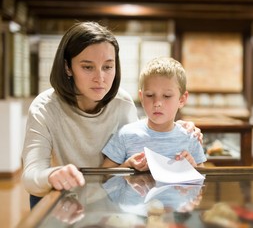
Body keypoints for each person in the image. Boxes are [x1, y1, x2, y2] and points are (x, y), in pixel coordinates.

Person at [22, 21, 202, 209]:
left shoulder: (122, 102)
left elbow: (137, 150)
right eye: (88, 67)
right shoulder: (44, 107)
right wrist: (53, 175)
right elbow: (31, 176)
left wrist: (175, 128)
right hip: (64, 203)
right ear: (68, 67)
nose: (100, 78)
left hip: (110, 202)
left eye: (107, 67)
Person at [102, 57, 207, 170]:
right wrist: (127, 166)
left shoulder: (190, 137)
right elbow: (105, 176)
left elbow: (203, 180)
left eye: (167, 96)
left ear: (181, 100)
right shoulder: (125, 135)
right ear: (141, 97)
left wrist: (193, 167)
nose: (157, 103)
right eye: (150, 95)